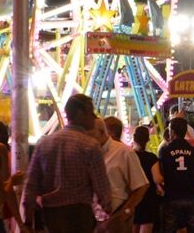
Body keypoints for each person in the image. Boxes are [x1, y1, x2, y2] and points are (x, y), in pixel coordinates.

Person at [22, 94, 112, 233]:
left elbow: (31, 184)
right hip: (79, 213)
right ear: (80, 114)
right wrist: (107, 209)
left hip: (51, 213)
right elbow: (101, 186)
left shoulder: (44, 143)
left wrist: (28, 220)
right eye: (90, 112)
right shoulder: (90, 145)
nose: (94, 117)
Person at [95, 117, 149, 231]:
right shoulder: (90, 152)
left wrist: (125, 212)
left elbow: (141, 185)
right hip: (94, 219)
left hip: (115, 217)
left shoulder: (124, 152)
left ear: (103, 132)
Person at [153, 117, 194, 233]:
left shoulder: (165, 150)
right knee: (193, 229)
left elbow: (161, 173)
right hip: (190, 196)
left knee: (169, 229)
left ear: (172, 132)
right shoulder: (193, 150)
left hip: (172, 196)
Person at [131, 126, 159, 233]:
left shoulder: (129, 156)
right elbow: (157, 178)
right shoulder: (152, 158)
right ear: (148, 139)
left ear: (134, 138)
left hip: (133, 196)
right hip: (148, 197)